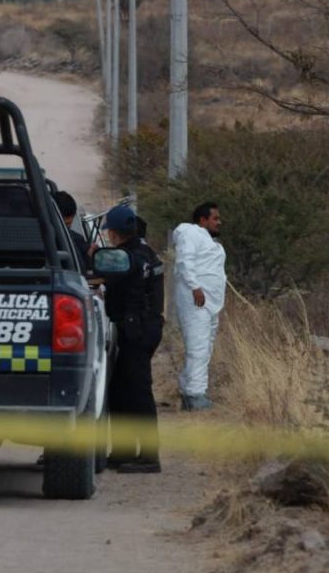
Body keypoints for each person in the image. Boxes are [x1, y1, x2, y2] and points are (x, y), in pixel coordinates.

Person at [100, 205, 165, 473]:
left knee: (137, 393)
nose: (108, 237)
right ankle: (124, 451)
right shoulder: (146, 253)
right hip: (143, 329)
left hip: (136, 331)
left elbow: (109, 281)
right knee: (120, 391)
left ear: (115, 233)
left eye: (110, 232)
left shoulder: (127, 258)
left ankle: (149, 456)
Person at [173, 202, 226, 411]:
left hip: (210, 303)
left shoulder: (206, 239)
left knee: (205, 346)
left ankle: (191, 391)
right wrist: (195, 287)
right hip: (196, 300)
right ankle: (195, 394)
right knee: (198, 346)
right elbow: (185, 261)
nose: (218, 222)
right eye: (215, 218)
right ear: (203, 220)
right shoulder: (191, 233)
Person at [53, 191, 91, 271]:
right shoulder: (75, 240)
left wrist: (89, 254)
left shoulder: (77, 240)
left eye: (68, 224)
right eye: (62, 224)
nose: (66, 228)